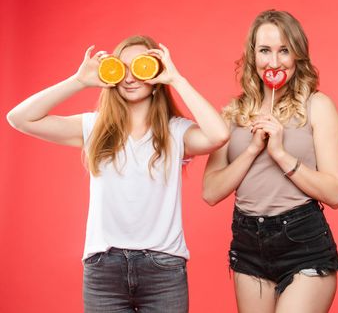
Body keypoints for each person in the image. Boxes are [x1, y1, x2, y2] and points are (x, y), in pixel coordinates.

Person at [6, 35, 230, 313]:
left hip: (163, 267)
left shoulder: (176, 131)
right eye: (121, 68)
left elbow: (219, 135)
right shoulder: (94, 126)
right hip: (104, 268)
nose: (129, 77)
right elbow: (19, 118)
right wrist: (78, 81)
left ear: (155, 73)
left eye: (140, 67)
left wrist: (177, 80)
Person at [202, 10, 338, 313]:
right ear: (253, 56)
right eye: (265, 51)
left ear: (297, 55)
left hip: (302, 240)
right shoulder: (233, 113)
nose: (275, 62)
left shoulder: (317, 106)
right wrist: (253, 149)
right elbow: (211, 192)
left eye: (284, 51)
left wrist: (281, 154)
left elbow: (335, 194)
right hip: (248, 243)